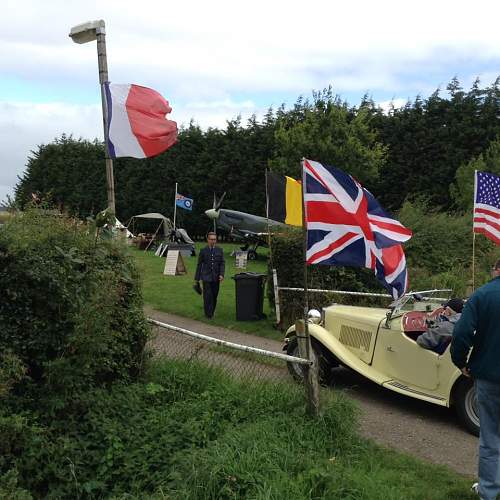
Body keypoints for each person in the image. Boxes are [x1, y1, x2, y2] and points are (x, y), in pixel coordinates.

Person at [451, 259, 500, 500]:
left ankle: (488, 492)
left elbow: (461, 333)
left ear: (497, 269)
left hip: (489, 377)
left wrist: (460, 361)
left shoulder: (483, 295)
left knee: (490, 437)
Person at [194, 232, 225, 319]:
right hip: (206, 277)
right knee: (207, 296)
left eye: (214, 239)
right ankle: (208, 314)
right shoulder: (203, 251)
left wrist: (221, 274)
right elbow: (199, 264)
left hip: (216, 277)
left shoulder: (220, 250)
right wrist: (197, 278)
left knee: (214, 296)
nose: (213, 241)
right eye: (211, 239)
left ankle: (212, 311)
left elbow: (222, 263)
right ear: (208, 240)